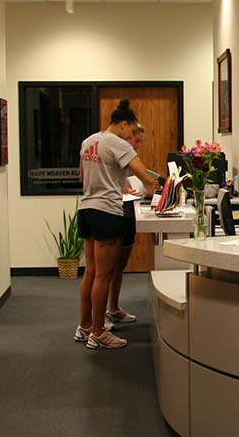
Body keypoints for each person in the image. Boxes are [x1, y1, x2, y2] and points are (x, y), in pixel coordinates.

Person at [74, 100, 157, 349]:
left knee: (90, 271)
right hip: (107, 212)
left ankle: (85, 325)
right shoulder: (118, 144)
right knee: (104, 275)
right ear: (123, 124)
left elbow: (83, 176)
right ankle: (98, 332)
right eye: (130, 130)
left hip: (86, 208)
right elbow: (145, 176)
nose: (131, 135)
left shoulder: (89, 141)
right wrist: (158, 193)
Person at [107, 123, 147, 325]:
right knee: (108, 267)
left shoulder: (129, 156)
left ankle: (113, 308)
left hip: (128, 209)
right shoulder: (113, 151)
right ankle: (98, 317)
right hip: (113, 211)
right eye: (136, 141)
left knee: (120, 265)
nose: (138, 146)